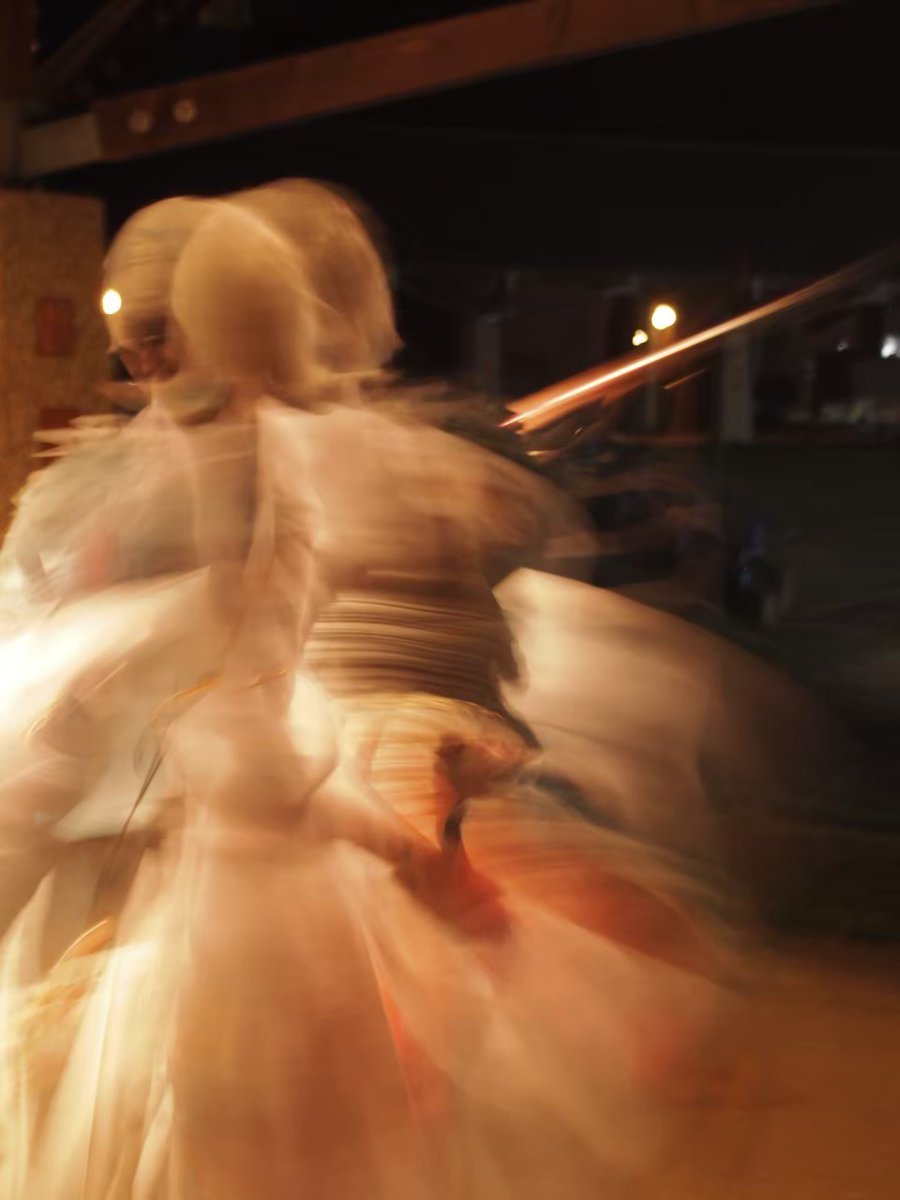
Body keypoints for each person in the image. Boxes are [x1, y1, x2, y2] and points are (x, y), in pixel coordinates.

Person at [0, 188, 729, 1200]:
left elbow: (265, 726)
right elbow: (255, 742)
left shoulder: (267, 489)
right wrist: (413, 851)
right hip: (258, 905)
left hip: (269, 892)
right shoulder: (226, 499)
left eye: (165, 338)